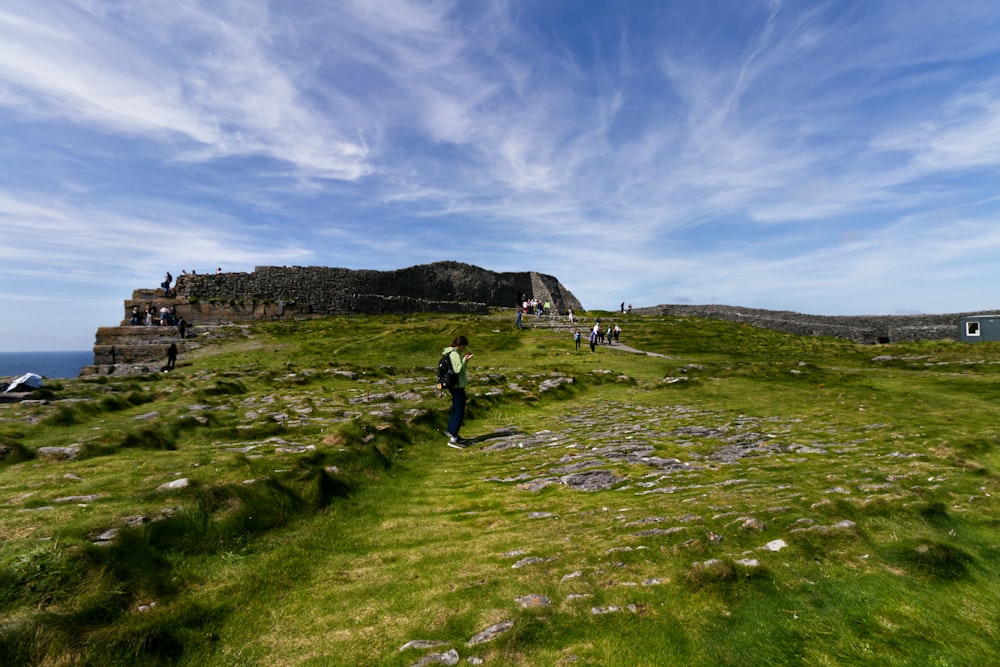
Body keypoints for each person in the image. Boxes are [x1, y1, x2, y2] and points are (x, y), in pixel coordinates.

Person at [442, 335, 473, 448]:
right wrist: (465, 360)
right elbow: (458, 369)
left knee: (455, 409)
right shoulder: (454, 354)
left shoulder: (450, 353)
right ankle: (453, 439)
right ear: (460, 345)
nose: (464, 348)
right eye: (463, 346)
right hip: (457, 386)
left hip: (454, 386)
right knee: (459, 411)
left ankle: (451, 432)